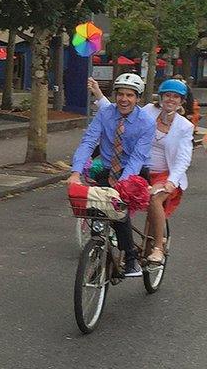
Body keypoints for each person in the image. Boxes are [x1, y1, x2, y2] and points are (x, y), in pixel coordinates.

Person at [90, 77, 193, 264]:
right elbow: (116, 111)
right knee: (114, 196)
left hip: (165, 174)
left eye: (175, 97)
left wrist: (172, 180)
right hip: (137, 169)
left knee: (155, 198)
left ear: (182, 101)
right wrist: (98, 93)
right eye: (167, 95)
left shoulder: (185, 126)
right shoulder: (147, 112)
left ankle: (158, 248)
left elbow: (183, 158)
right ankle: (116, 239)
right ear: (160, 97)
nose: (170, 100)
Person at [71, 72, 155, 276]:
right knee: (96, 207)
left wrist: (122, 186)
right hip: (108, 169)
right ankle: (101, 251)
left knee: (119, 209)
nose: (124, 99)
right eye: (120, 94)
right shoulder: (105, 113)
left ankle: (131, 257)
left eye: (130, 95)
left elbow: (137, 158)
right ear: (115, 95)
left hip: (134, 172)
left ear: (137, 98)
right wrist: (75, 172)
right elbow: (89, 141)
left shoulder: (146, 122)